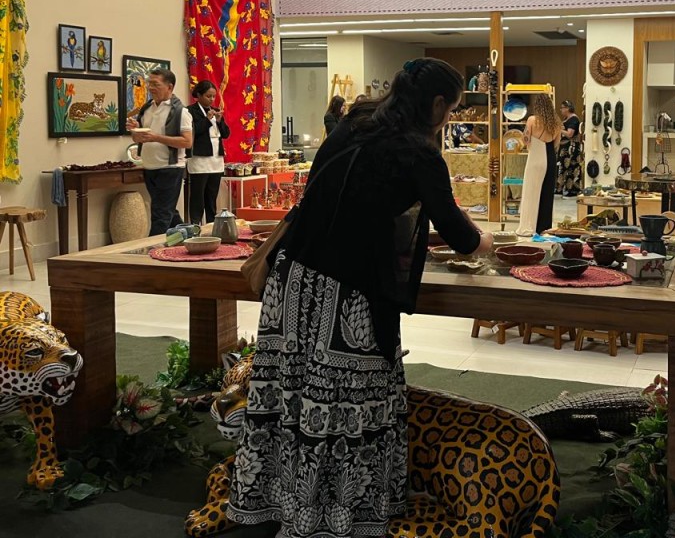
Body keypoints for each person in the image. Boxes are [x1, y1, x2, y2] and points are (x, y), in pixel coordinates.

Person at [227, 57, 493, 537]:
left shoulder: (355, 124)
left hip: (294, 282)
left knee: (293, 397)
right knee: (346, 408)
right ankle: (340, 514)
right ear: (437, 105)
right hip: (348, 297)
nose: (449, 119)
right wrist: (487, 241)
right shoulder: (419, 151)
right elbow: (460, 235)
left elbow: (335, 198)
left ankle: (283, 503)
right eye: (451, 110)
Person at [126, 68, 194, 236]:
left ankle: (152, 248)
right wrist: (135, 130)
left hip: (170, 168)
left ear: (169, 87)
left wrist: (156, 137)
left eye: (156, 84)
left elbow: (187, 141)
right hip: (149, 166)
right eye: (149, 83)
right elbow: (139, 138)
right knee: (168, 212)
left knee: (160, 214)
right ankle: (189, 236)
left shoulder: (181, 111)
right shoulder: (147, 108)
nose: (150, 88)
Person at [185, 80, 230, 225]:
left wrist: (220, 121)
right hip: (200, 160)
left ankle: (212, 225)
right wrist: (207, 119)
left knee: (211, 196)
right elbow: (194, 131)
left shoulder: (215, 110)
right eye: (208, 96)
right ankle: (195, 225)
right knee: (197, 196)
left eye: (213, 96)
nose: (211, 99)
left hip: (216, 160)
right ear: (198, 95)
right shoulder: (190, 111)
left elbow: (226, 134)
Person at [516, 94, 559, 236]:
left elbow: (526, 139)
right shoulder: (556, 123)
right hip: (550, 157)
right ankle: (544, 227)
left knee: (531, 192)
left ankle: (528, 226)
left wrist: (527, 142)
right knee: (547, 193)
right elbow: (556, 144)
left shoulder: (532, 120)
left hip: (535, 157)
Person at [555, 100, 583, 197]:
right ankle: (560, 188)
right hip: (564, 148)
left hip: (570, 148)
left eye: (562, 108)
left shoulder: (573, 119)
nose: (561, 110)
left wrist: (559, 129)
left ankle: (572, 189)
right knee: (562, 167)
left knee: (571, 167)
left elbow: (570, 134)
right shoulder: (567, 119)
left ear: (567, 108)